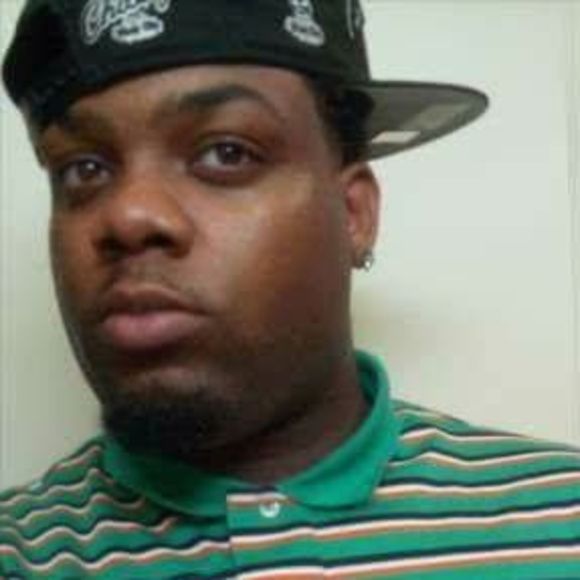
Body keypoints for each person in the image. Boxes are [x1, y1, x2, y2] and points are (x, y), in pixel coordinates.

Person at [1, 0, 579, 578]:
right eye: (83, 169)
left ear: (353, 214)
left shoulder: (562, 523)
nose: (128, 215)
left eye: (226, 152)